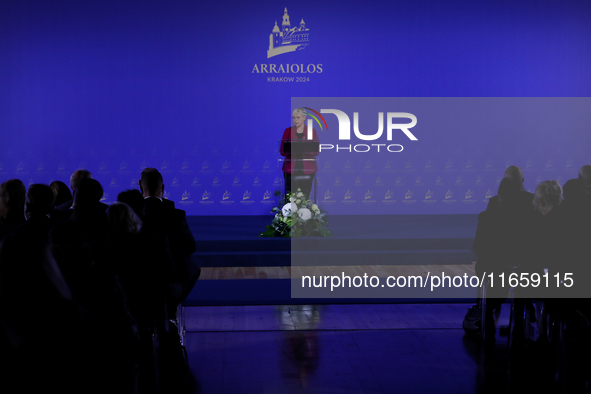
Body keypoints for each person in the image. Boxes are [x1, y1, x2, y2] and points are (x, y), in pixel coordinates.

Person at [280, 108, 319, 198]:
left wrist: (302, 148)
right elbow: (282, 150)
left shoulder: (312, 131)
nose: (295, 120)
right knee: (290, 197)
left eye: (298, 117)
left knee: (305, 196)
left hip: (307, 169)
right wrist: (293, 149)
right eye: (293, 117)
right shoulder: (288, 131)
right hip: (290, 169)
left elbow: (316, 151)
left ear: (304, 117)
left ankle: (304, 212)